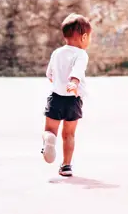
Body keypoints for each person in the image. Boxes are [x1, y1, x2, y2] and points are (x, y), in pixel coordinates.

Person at [41, 13, 92, 177]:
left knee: (50, 130)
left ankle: (49, 140)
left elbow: (49, 74)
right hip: (73, 100)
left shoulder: (56, 53)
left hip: (56, 98)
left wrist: (59, 82)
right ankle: (66, 166)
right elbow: (77, 70)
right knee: (69, 134)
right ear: (84, 37)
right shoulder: (81, 54)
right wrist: (74, 82)